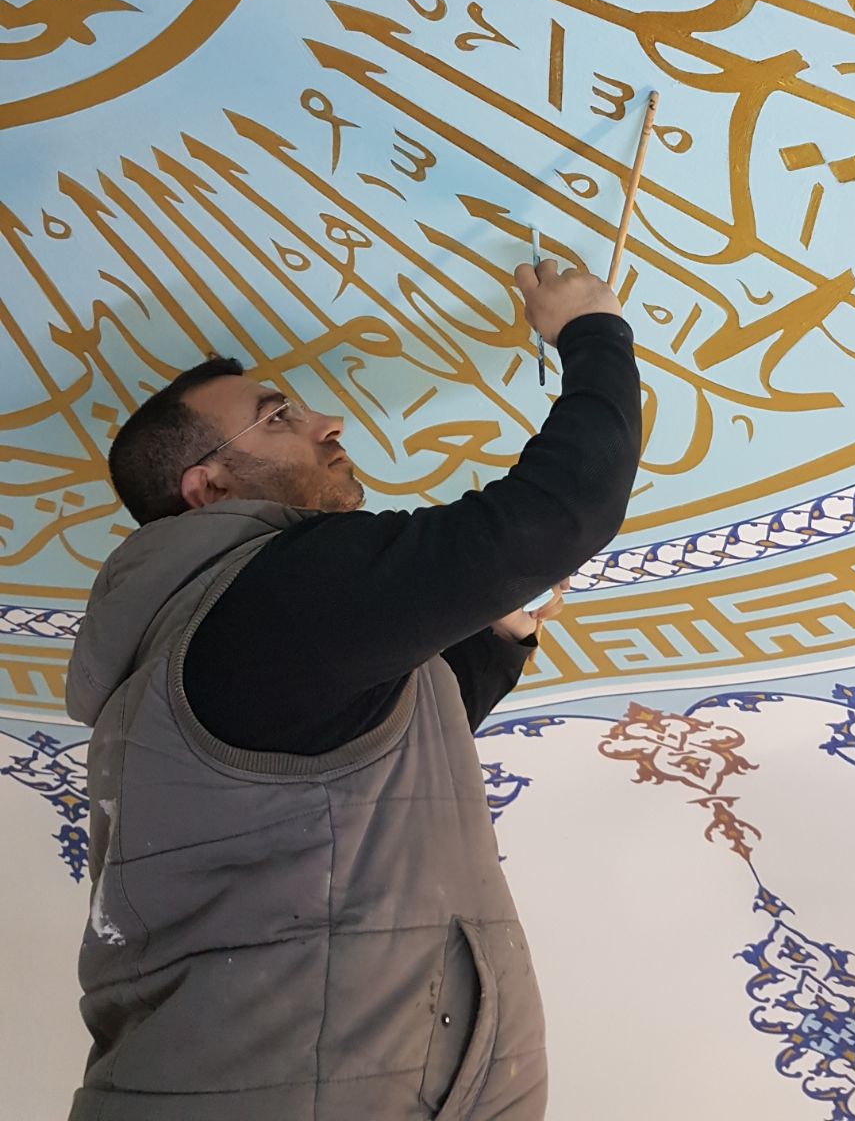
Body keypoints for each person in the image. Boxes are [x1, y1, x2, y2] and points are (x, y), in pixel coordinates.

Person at [64, 259, 640, 1121]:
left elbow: (374, 750)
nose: (328, 422)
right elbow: (557, 514)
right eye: (278, 417)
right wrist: (591, 328)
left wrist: (496, 637)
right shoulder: (265, 593)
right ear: (208, 487)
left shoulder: (218, 632)